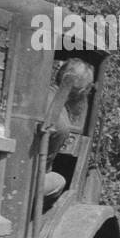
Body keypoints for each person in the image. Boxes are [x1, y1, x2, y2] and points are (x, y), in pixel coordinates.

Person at [43, 56, 95, 197]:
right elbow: (44, 167)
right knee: (59, 181)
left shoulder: (38, 93)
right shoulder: (61, 123)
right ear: (81, 92)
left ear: (58, 75)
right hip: (28, 178)